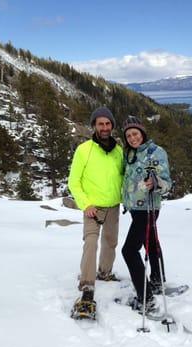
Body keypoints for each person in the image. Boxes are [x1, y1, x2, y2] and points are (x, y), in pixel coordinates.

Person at [68, 106, 123, 318]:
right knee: (91, 242)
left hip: (113, 205)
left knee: (110, 241)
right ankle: (87, 286)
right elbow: (74, 182)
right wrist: (86, 204)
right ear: (94, 126)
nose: (105, 127)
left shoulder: (118, 151)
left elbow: (122, 178)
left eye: (108, 124)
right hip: (92, 207)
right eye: (100, 124)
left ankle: (105, 273)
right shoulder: (84, 150)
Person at [121, 116, 172, 313]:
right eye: (128, 136)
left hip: (148, 208)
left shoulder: (156, 152)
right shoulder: (129, 154)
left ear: (142, 133)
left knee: (129, 251)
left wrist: (156, 182)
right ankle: (157, 281)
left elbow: (167, 182)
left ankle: (146, 298)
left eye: (135, 134)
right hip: (135, 208)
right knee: (150, 242)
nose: (132, 138)